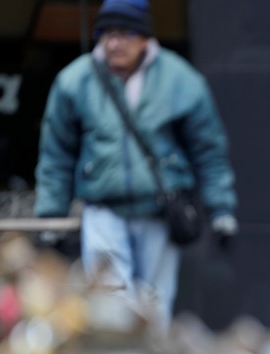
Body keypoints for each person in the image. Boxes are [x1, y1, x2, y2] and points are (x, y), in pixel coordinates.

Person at [34, 0, 238, 327]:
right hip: (103, 210)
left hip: (160, 212)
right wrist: (50, 213)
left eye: (125, 33)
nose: (114, 43)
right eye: (106, 34)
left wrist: (221, 209)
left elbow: (208, 149)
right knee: (107, 306)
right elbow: (56, 154)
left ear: (144, 37)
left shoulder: (180, 79)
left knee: (155, 306)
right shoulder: (75, 81)